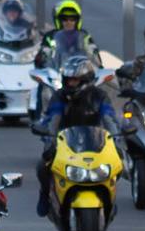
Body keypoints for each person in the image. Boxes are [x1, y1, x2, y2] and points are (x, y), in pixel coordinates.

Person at [34, 54, 115, 219]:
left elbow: (109, 117)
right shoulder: (59, 96)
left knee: (116, 164)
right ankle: (44, 194)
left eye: (75, 80)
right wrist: (48, 134)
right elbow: (53, 118)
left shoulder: (99, 96)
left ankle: (110, 199)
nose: (71, 83)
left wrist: (118, 134)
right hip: (64, 142)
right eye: (68, 80)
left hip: (94, 142)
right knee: (43, 166)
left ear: (86, 79)